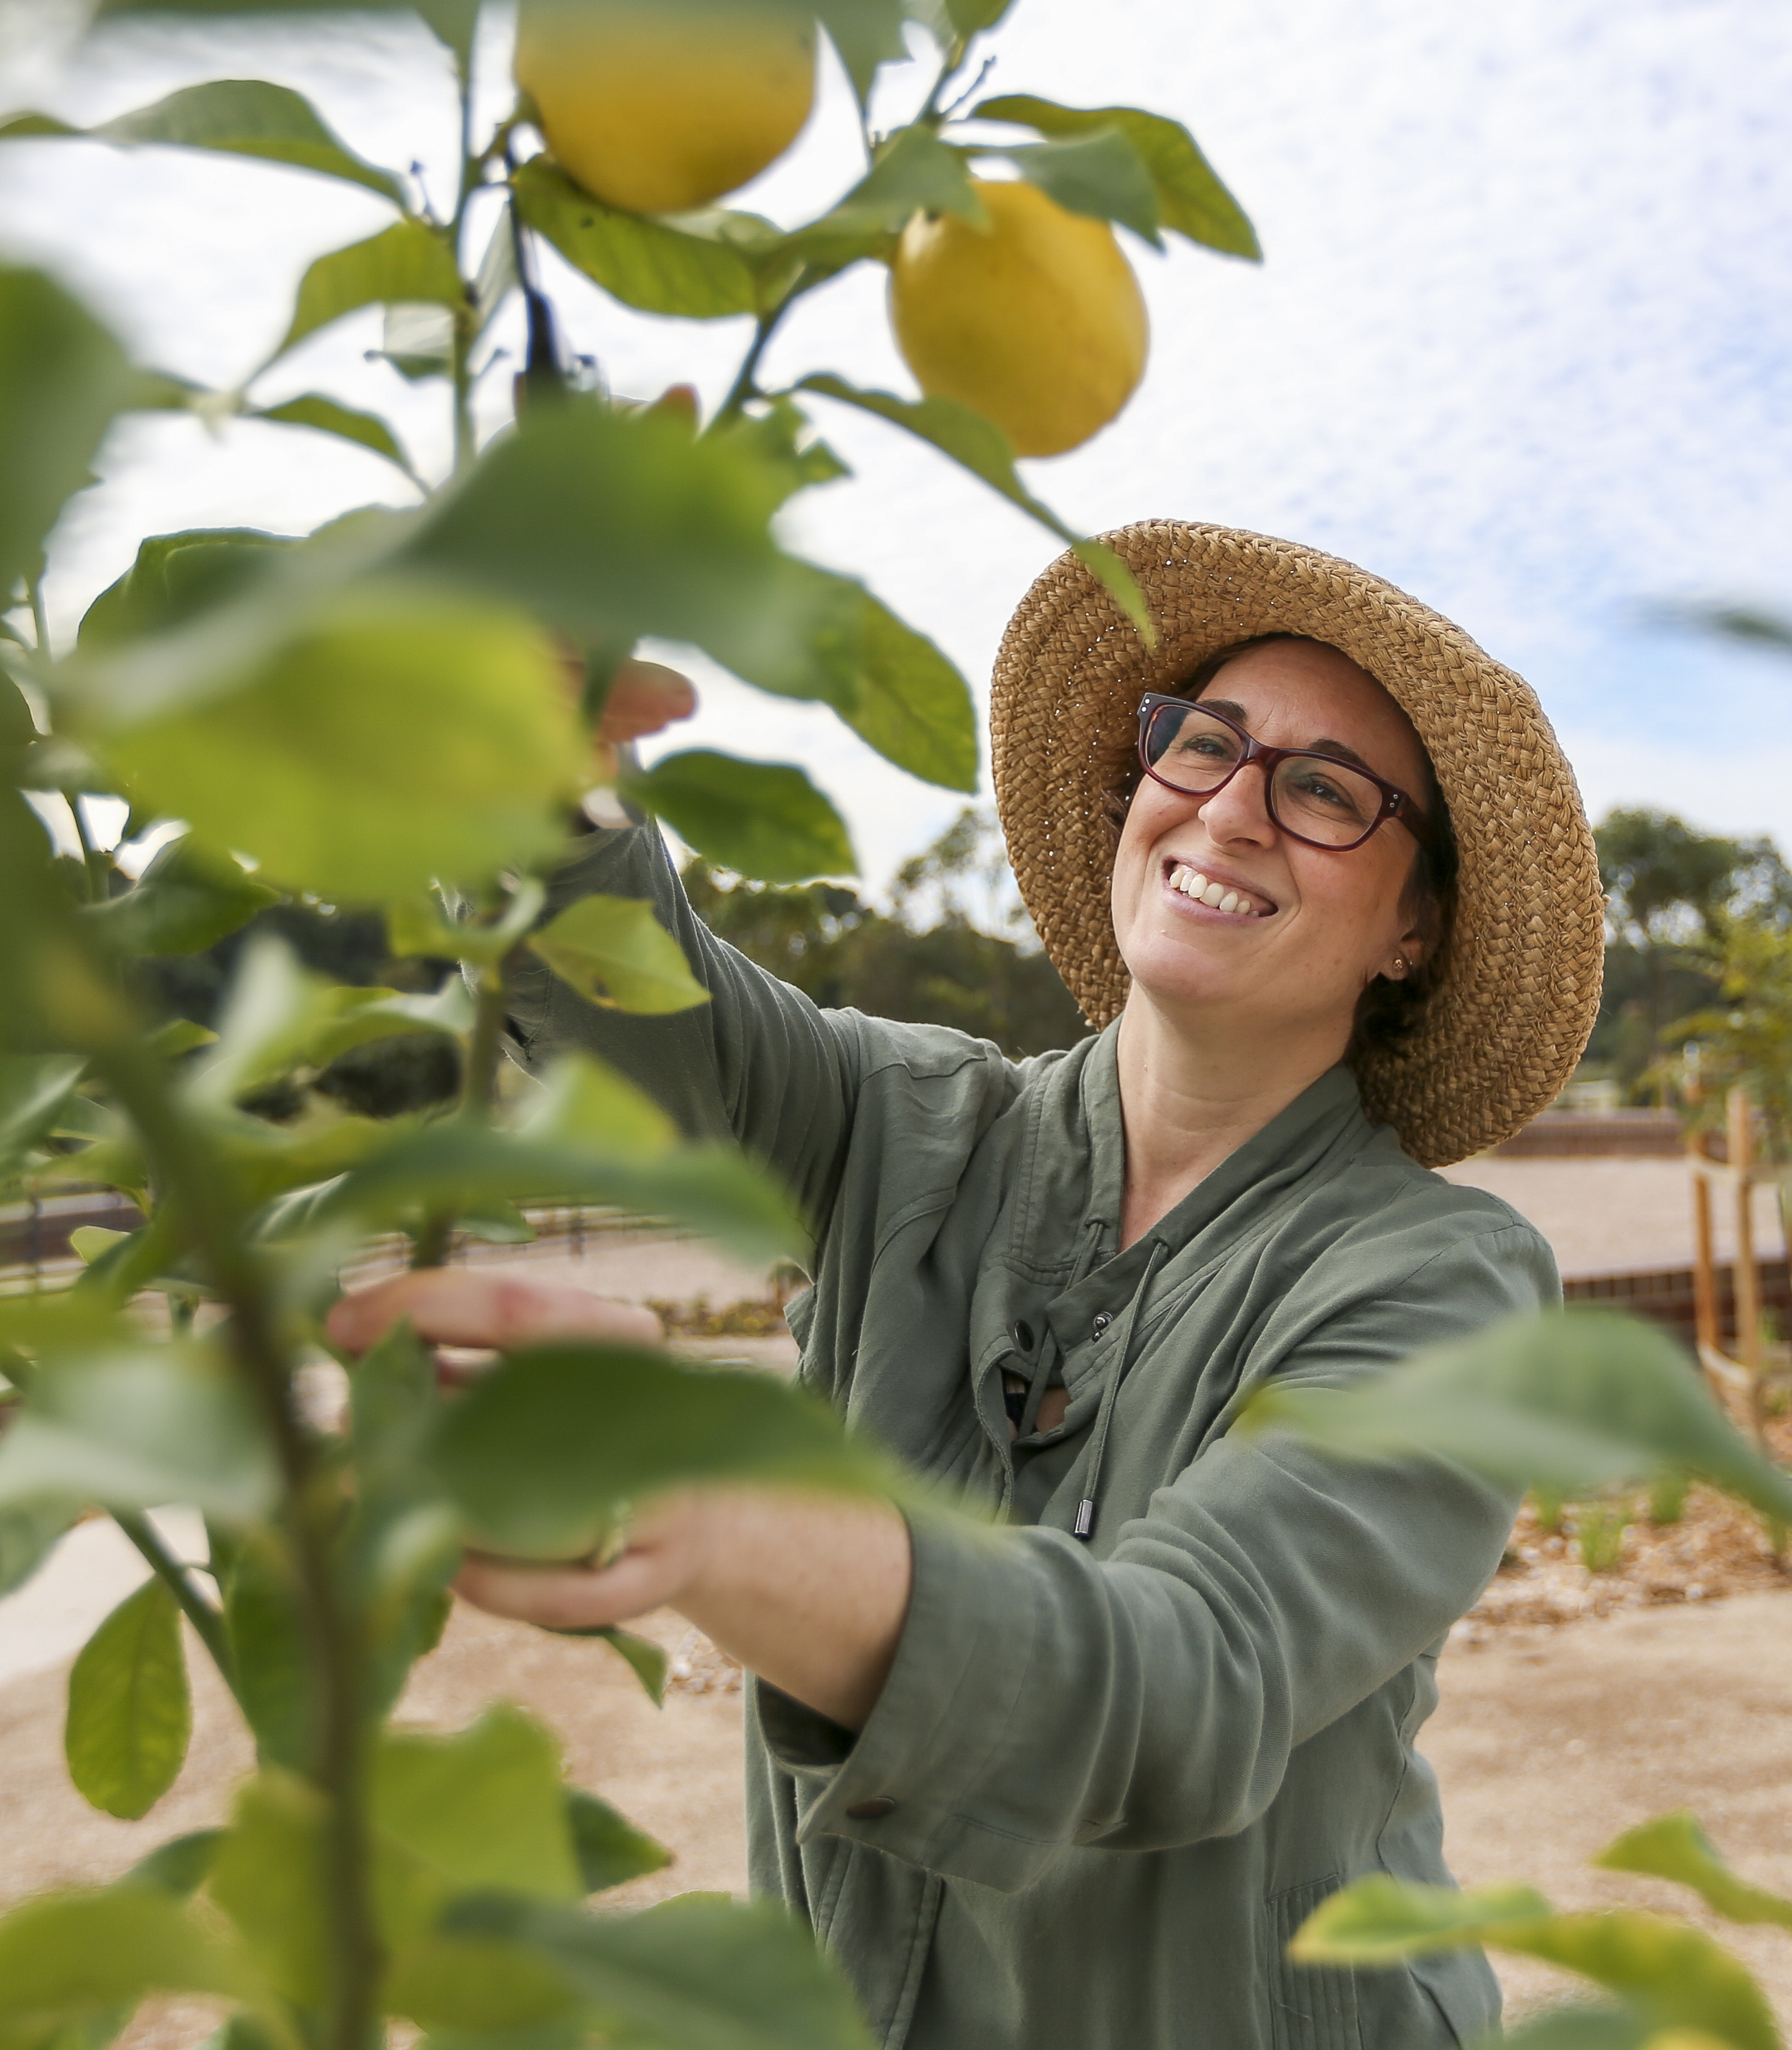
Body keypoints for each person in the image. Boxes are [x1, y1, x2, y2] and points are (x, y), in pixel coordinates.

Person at [329, 521, 1606, 2049]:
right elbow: (658, 1015)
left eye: (1326, 790)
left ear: (1415, 928)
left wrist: (707, 1502)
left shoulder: (1441, 1283)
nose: (1235, 811)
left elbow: (1181, 1683)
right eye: (1204, 746)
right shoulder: (912, 1124)